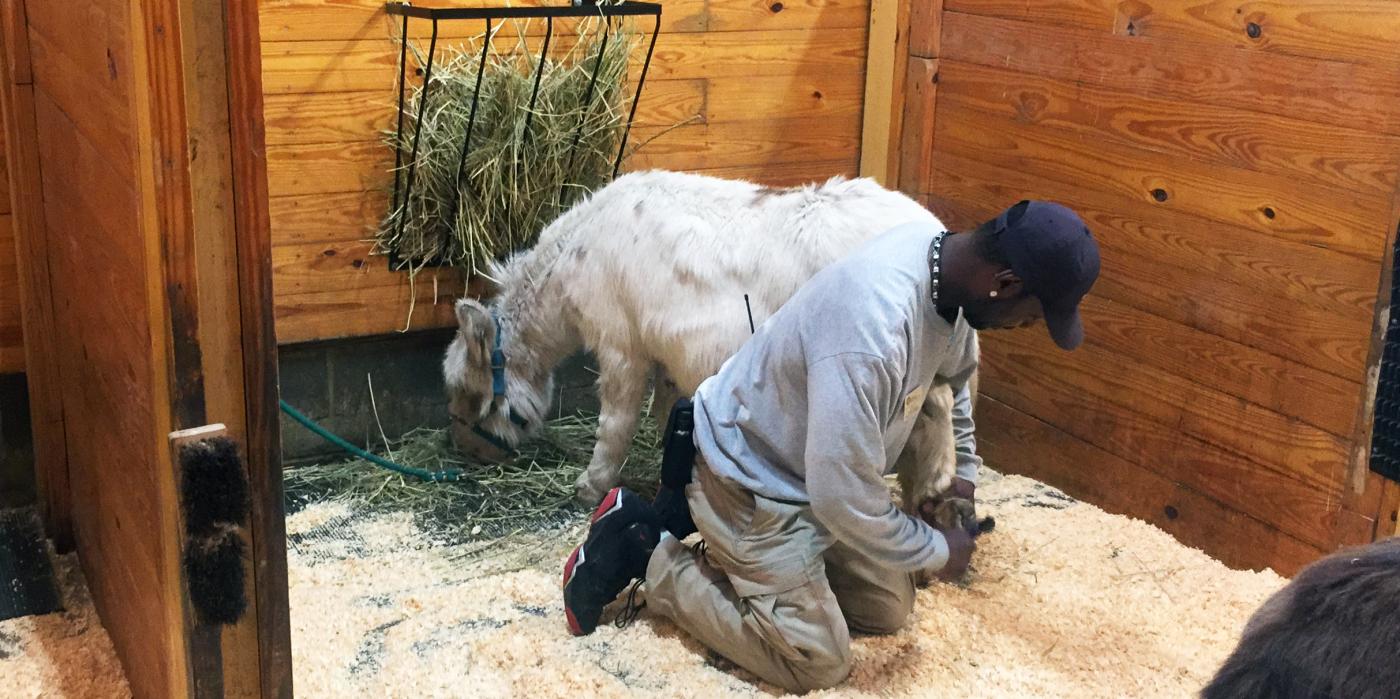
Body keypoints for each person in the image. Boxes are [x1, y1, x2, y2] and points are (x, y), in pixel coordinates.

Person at [560, 200, 1101, 692]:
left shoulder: (951, 278)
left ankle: (758, 576)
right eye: (1031, 317)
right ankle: (648, 551)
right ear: (1004, 285)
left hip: (810, 477)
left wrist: (963, 477)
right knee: (817, 661)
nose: (1026, 326)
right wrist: (940, 550)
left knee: (888, 610)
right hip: (750, 479)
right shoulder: (874, 329)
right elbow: (843, 497)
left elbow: (953, 382)